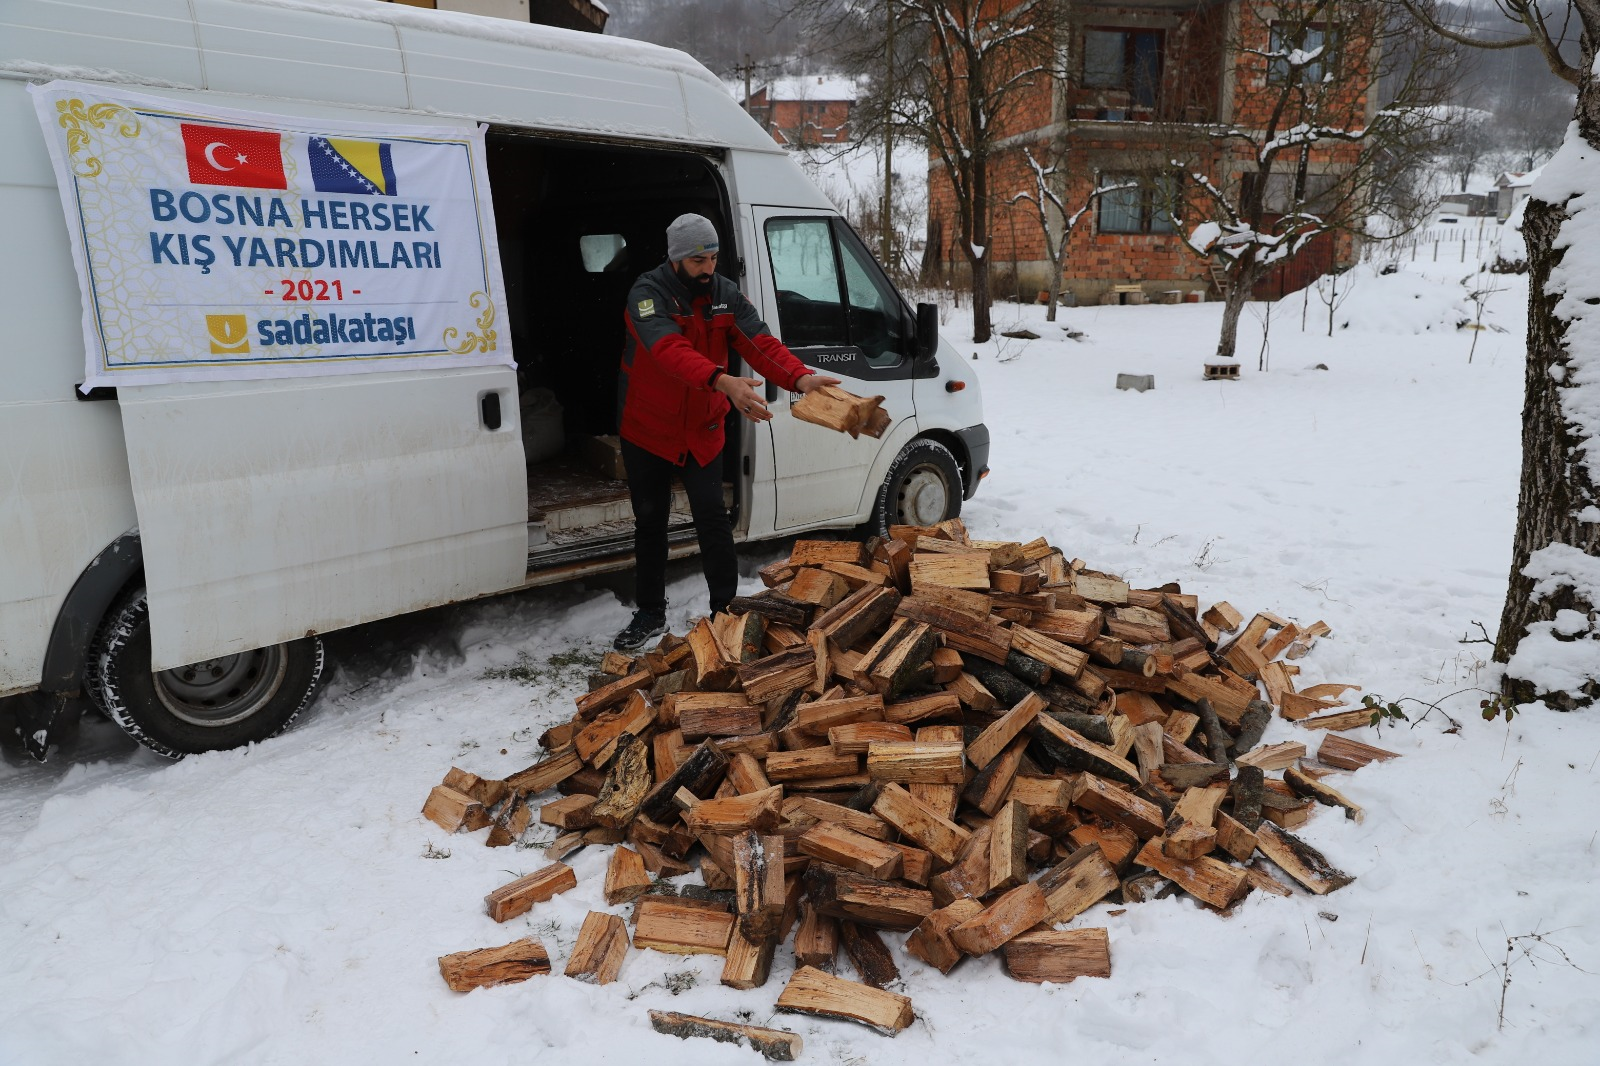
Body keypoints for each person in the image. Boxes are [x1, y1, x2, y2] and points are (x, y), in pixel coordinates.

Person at [612, 213, 839, 651]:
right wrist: (723, 380)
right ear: (677, 258)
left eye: (714, 258)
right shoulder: (647, 294)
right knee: (651, 519)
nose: (708, 268)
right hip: (649, 428)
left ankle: (726, 611)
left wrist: (798, 378)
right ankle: (650, 612)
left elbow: (760, 343)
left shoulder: (725, 295)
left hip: (702, 425)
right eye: (699, 260)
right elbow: (668, 350)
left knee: (713, 518)